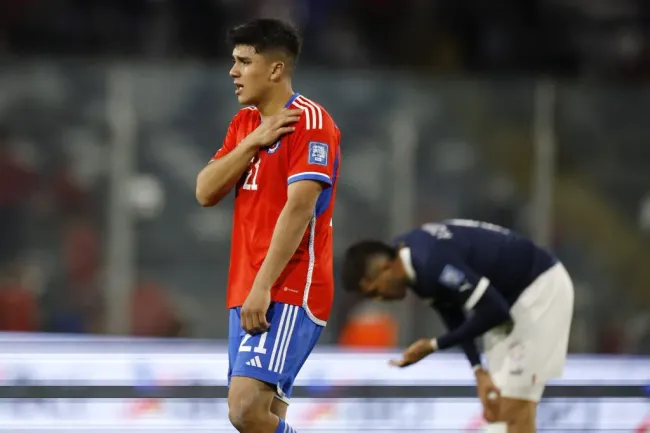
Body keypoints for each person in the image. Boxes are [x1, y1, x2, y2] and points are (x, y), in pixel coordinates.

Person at [195, 18, 341, 433]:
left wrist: (263, 286)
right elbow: (205, 190)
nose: (233, 72)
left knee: (244, 409)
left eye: (243, 61)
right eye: (233, 61)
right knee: (264, 416)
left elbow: (299, 209)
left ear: (275, 70)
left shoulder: (311, 123)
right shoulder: (244, 124)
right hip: (247, 285)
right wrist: (253, 141)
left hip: (288, 284)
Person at [342, 219, 574, 433]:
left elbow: (494, 311)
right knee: (504, 410)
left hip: (537, 291)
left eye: (374, 291)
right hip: (508, 301)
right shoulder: (408, 259)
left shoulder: (432, 262)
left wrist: (434, 345)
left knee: (510, 410)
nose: (379, 299)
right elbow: (451, 311)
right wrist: (478, 369)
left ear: (386, 267)